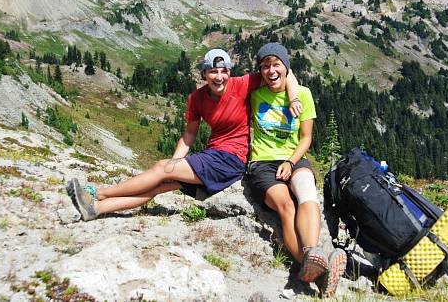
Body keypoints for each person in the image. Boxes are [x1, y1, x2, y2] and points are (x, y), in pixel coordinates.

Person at [68, 48, 302, 222]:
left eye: (223, 71)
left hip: (232, 159)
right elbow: (189, 134)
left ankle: (97, 192)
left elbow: (284, 72)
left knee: (161, 169)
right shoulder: (197, 99)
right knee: (160, 184)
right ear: (204, 74)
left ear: (229, 73)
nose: (219, 77)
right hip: (214, 156)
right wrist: (177, 160)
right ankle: (96, 209)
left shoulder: (242, 84)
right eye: (213, 71)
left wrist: (293, 99)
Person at [246, 43, 346, 297]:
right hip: (262, 163)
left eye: (276, 64)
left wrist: (290, 162)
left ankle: (312, 254)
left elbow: (306, 138)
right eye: (265, 66)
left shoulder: (302, 94)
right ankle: (312, 266)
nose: (271, 70)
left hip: (294, 158)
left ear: (286, 67)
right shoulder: (255, 92)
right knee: (286, 207)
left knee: (307, 193)